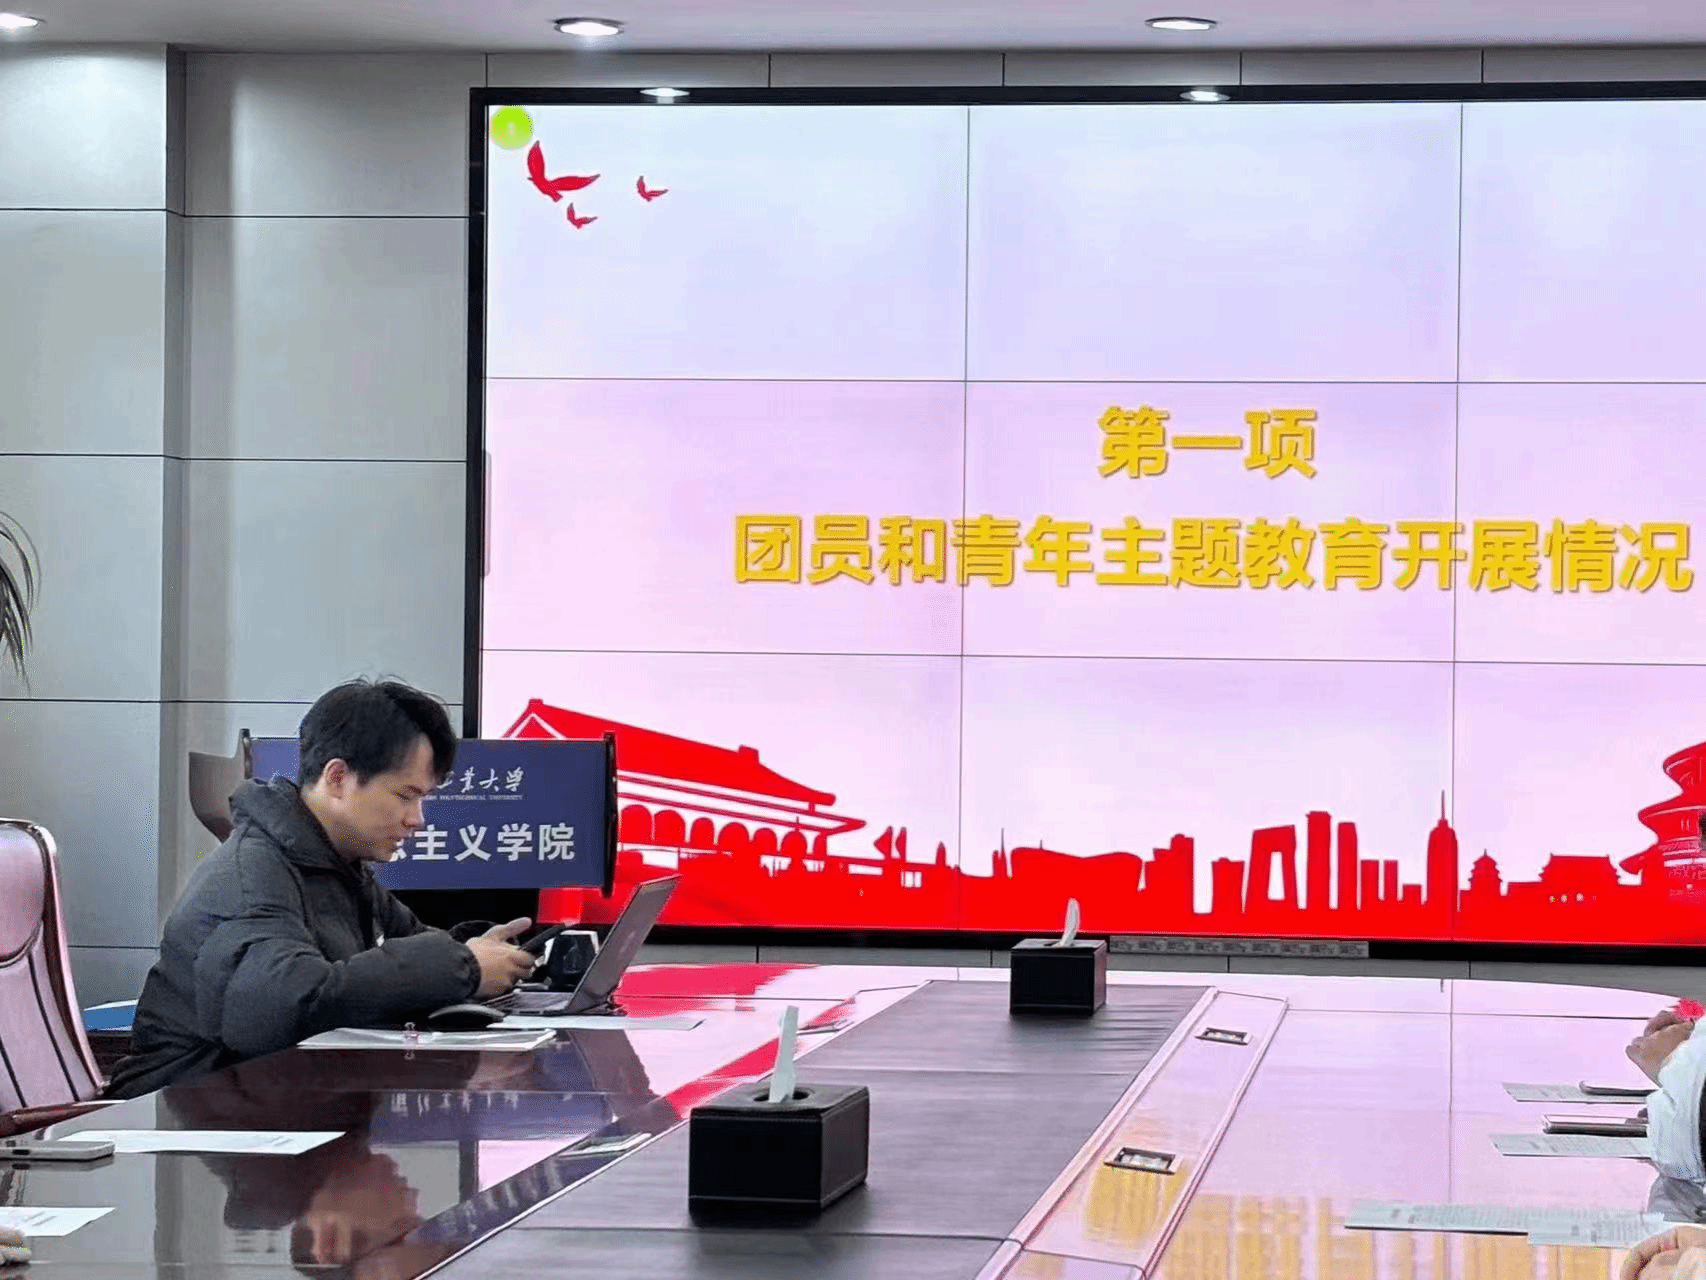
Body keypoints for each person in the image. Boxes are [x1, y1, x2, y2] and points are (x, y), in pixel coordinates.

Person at [108, 679, 538, 1098]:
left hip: (279, 1097)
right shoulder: (254, 874)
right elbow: (280, 1010)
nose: (417, 819)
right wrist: (463, 966)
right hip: (189, 1108)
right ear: (337, 778)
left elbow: (415, 943)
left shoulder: (338, 866)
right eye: (406, 795)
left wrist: (481, 954)